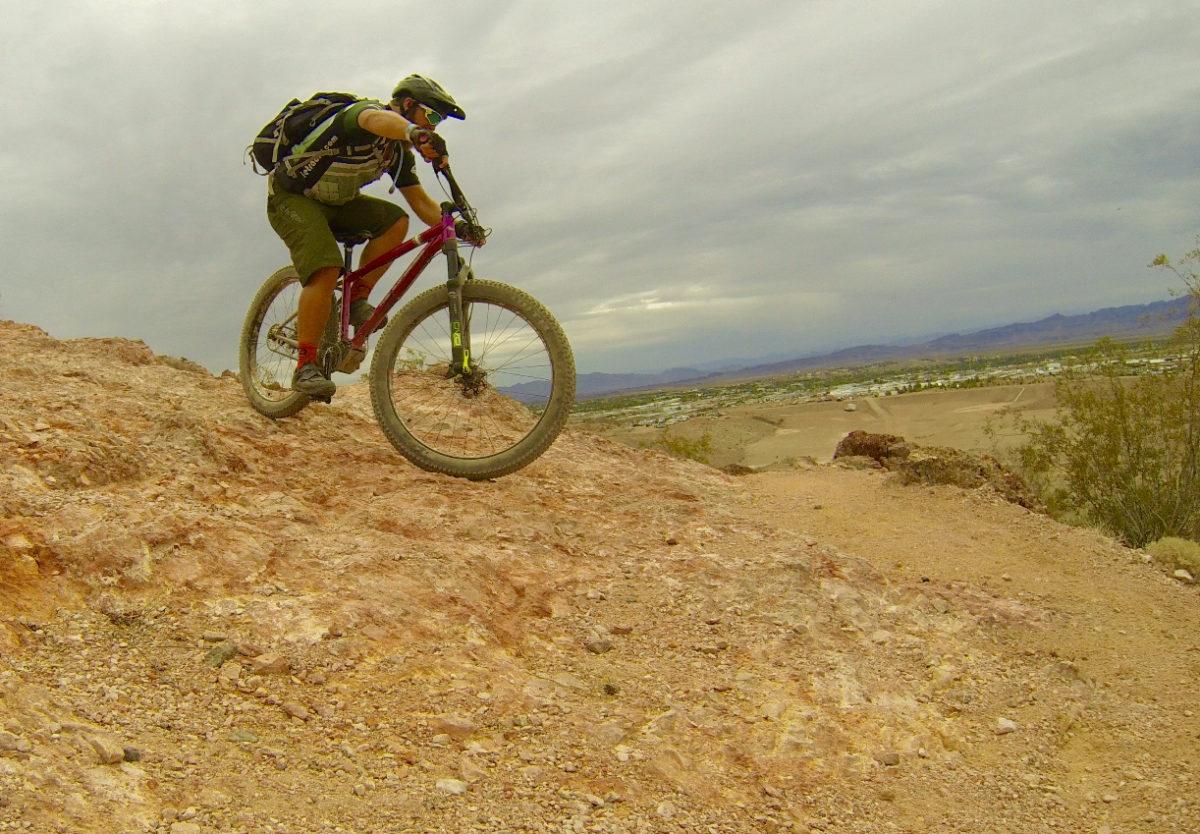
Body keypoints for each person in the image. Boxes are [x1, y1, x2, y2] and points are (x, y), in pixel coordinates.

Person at [265, 74, 468, 399]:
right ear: (407, 105)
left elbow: (420, 203)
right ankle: (305, 365)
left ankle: (358, 298)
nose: (434, 126)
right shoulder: (362, 115)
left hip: (338, 204)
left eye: (438, 122)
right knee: (326, 269)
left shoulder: (398, 154)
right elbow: (375, 119)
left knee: (395, 220)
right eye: (431, 116)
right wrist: (412, 132)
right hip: (292, 198)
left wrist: (458, 227)